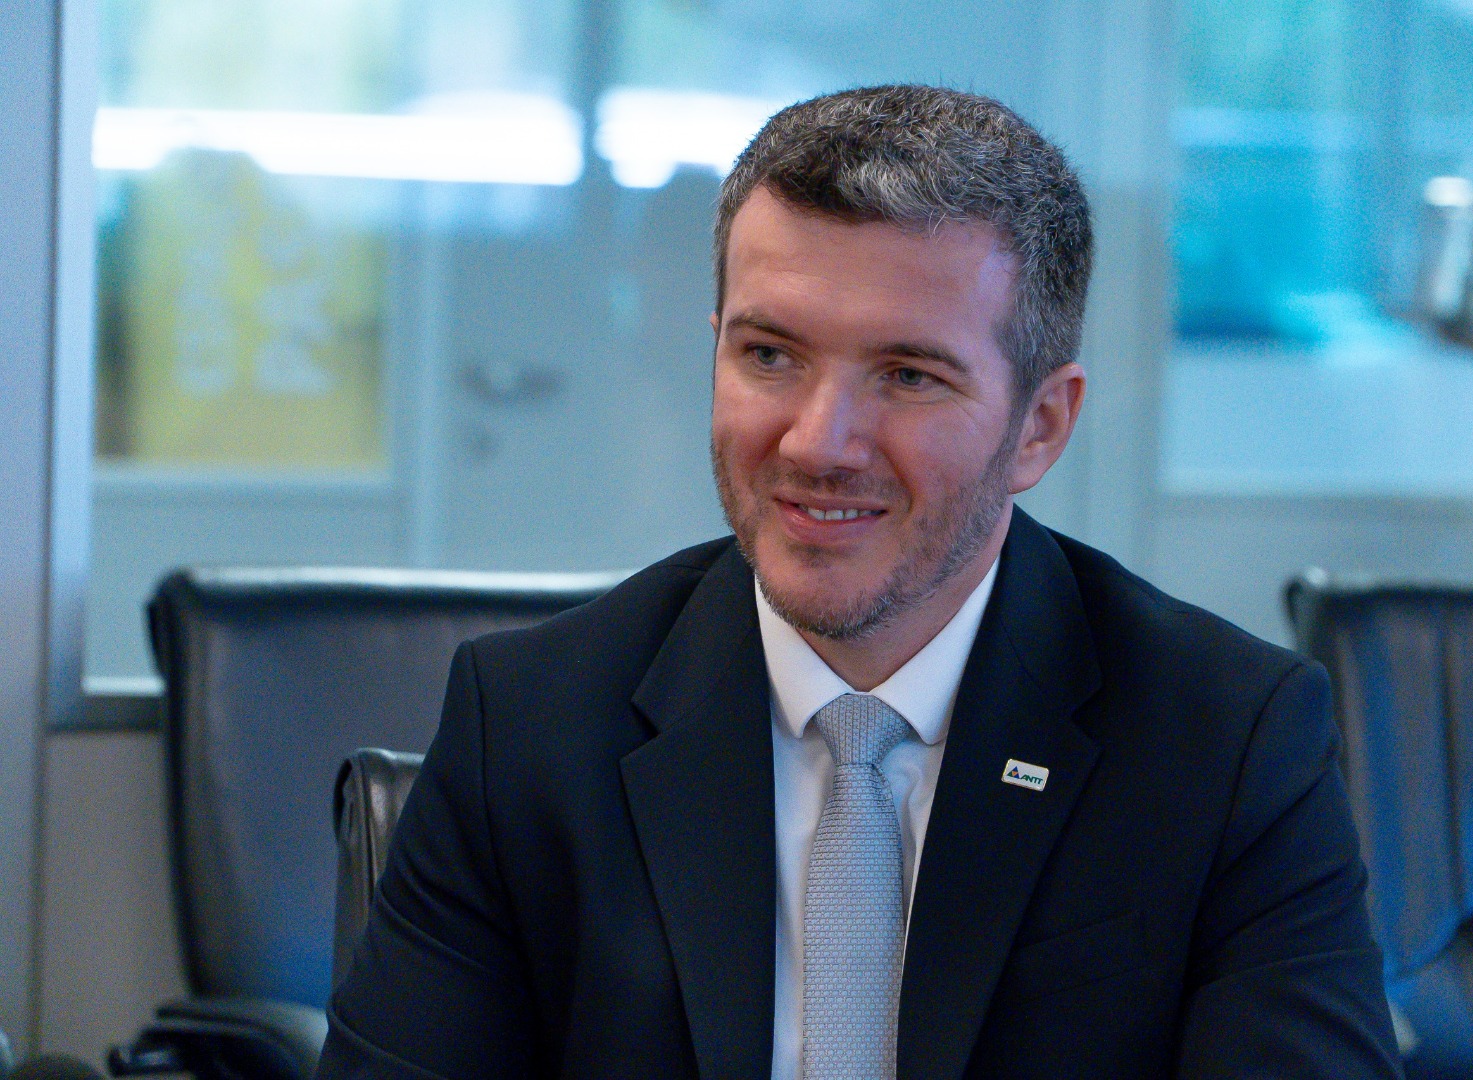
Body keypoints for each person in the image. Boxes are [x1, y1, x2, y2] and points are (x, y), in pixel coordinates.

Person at [316, 85, 1402, 1079]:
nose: (817, 441)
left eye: (907, 375)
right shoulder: (529, 725)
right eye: (770, 356)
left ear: (1040, 425)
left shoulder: (1224, 740)